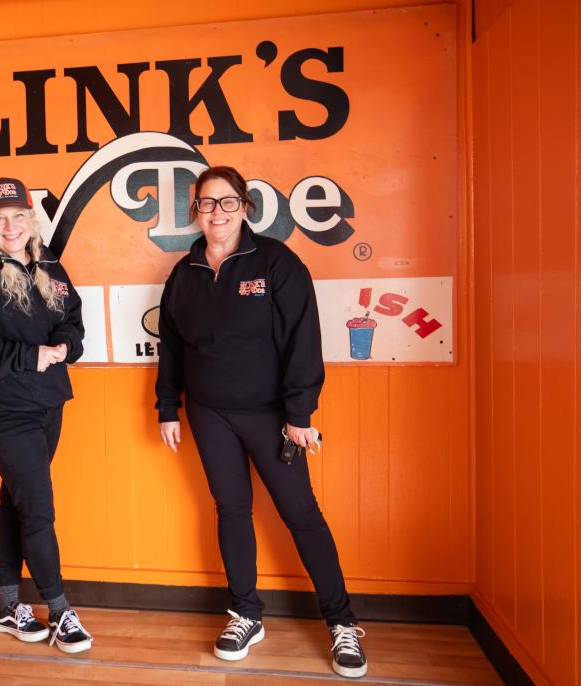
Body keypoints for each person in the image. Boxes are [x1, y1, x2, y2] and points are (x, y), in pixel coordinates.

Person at [155, 166, 367, 678]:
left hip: (272, 416)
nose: (217, 213)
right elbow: (173, 347)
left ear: (245, 207)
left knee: (301, 514)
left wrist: (299, 414)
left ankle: (342, 622)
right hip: (209, 414)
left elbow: (302, 340)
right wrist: (168, 405)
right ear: (195, 211)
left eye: (227, 203)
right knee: (231, 511)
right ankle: (246, 612)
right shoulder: (184, 273)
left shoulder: (276, 262)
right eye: (207, 204)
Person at [0, 176, 92, 654]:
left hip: (48, 401)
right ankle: (60, 609)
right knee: (38, 506)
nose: (10, 226)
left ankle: (7, 606)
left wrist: (66, 345)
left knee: (18, 500)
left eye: (18, 216)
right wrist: (29, 356)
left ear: (31, 219)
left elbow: (73, 318)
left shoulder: (48, 262)